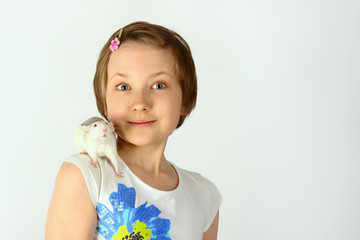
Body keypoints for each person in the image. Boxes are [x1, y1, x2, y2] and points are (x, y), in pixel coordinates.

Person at [46, 21, 222, 240]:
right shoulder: (86, 175)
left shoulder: (205, 197)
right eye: (124, 87)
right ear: (104, 101)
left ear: (184, 100)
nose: (139, 103)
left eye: (158, 85)